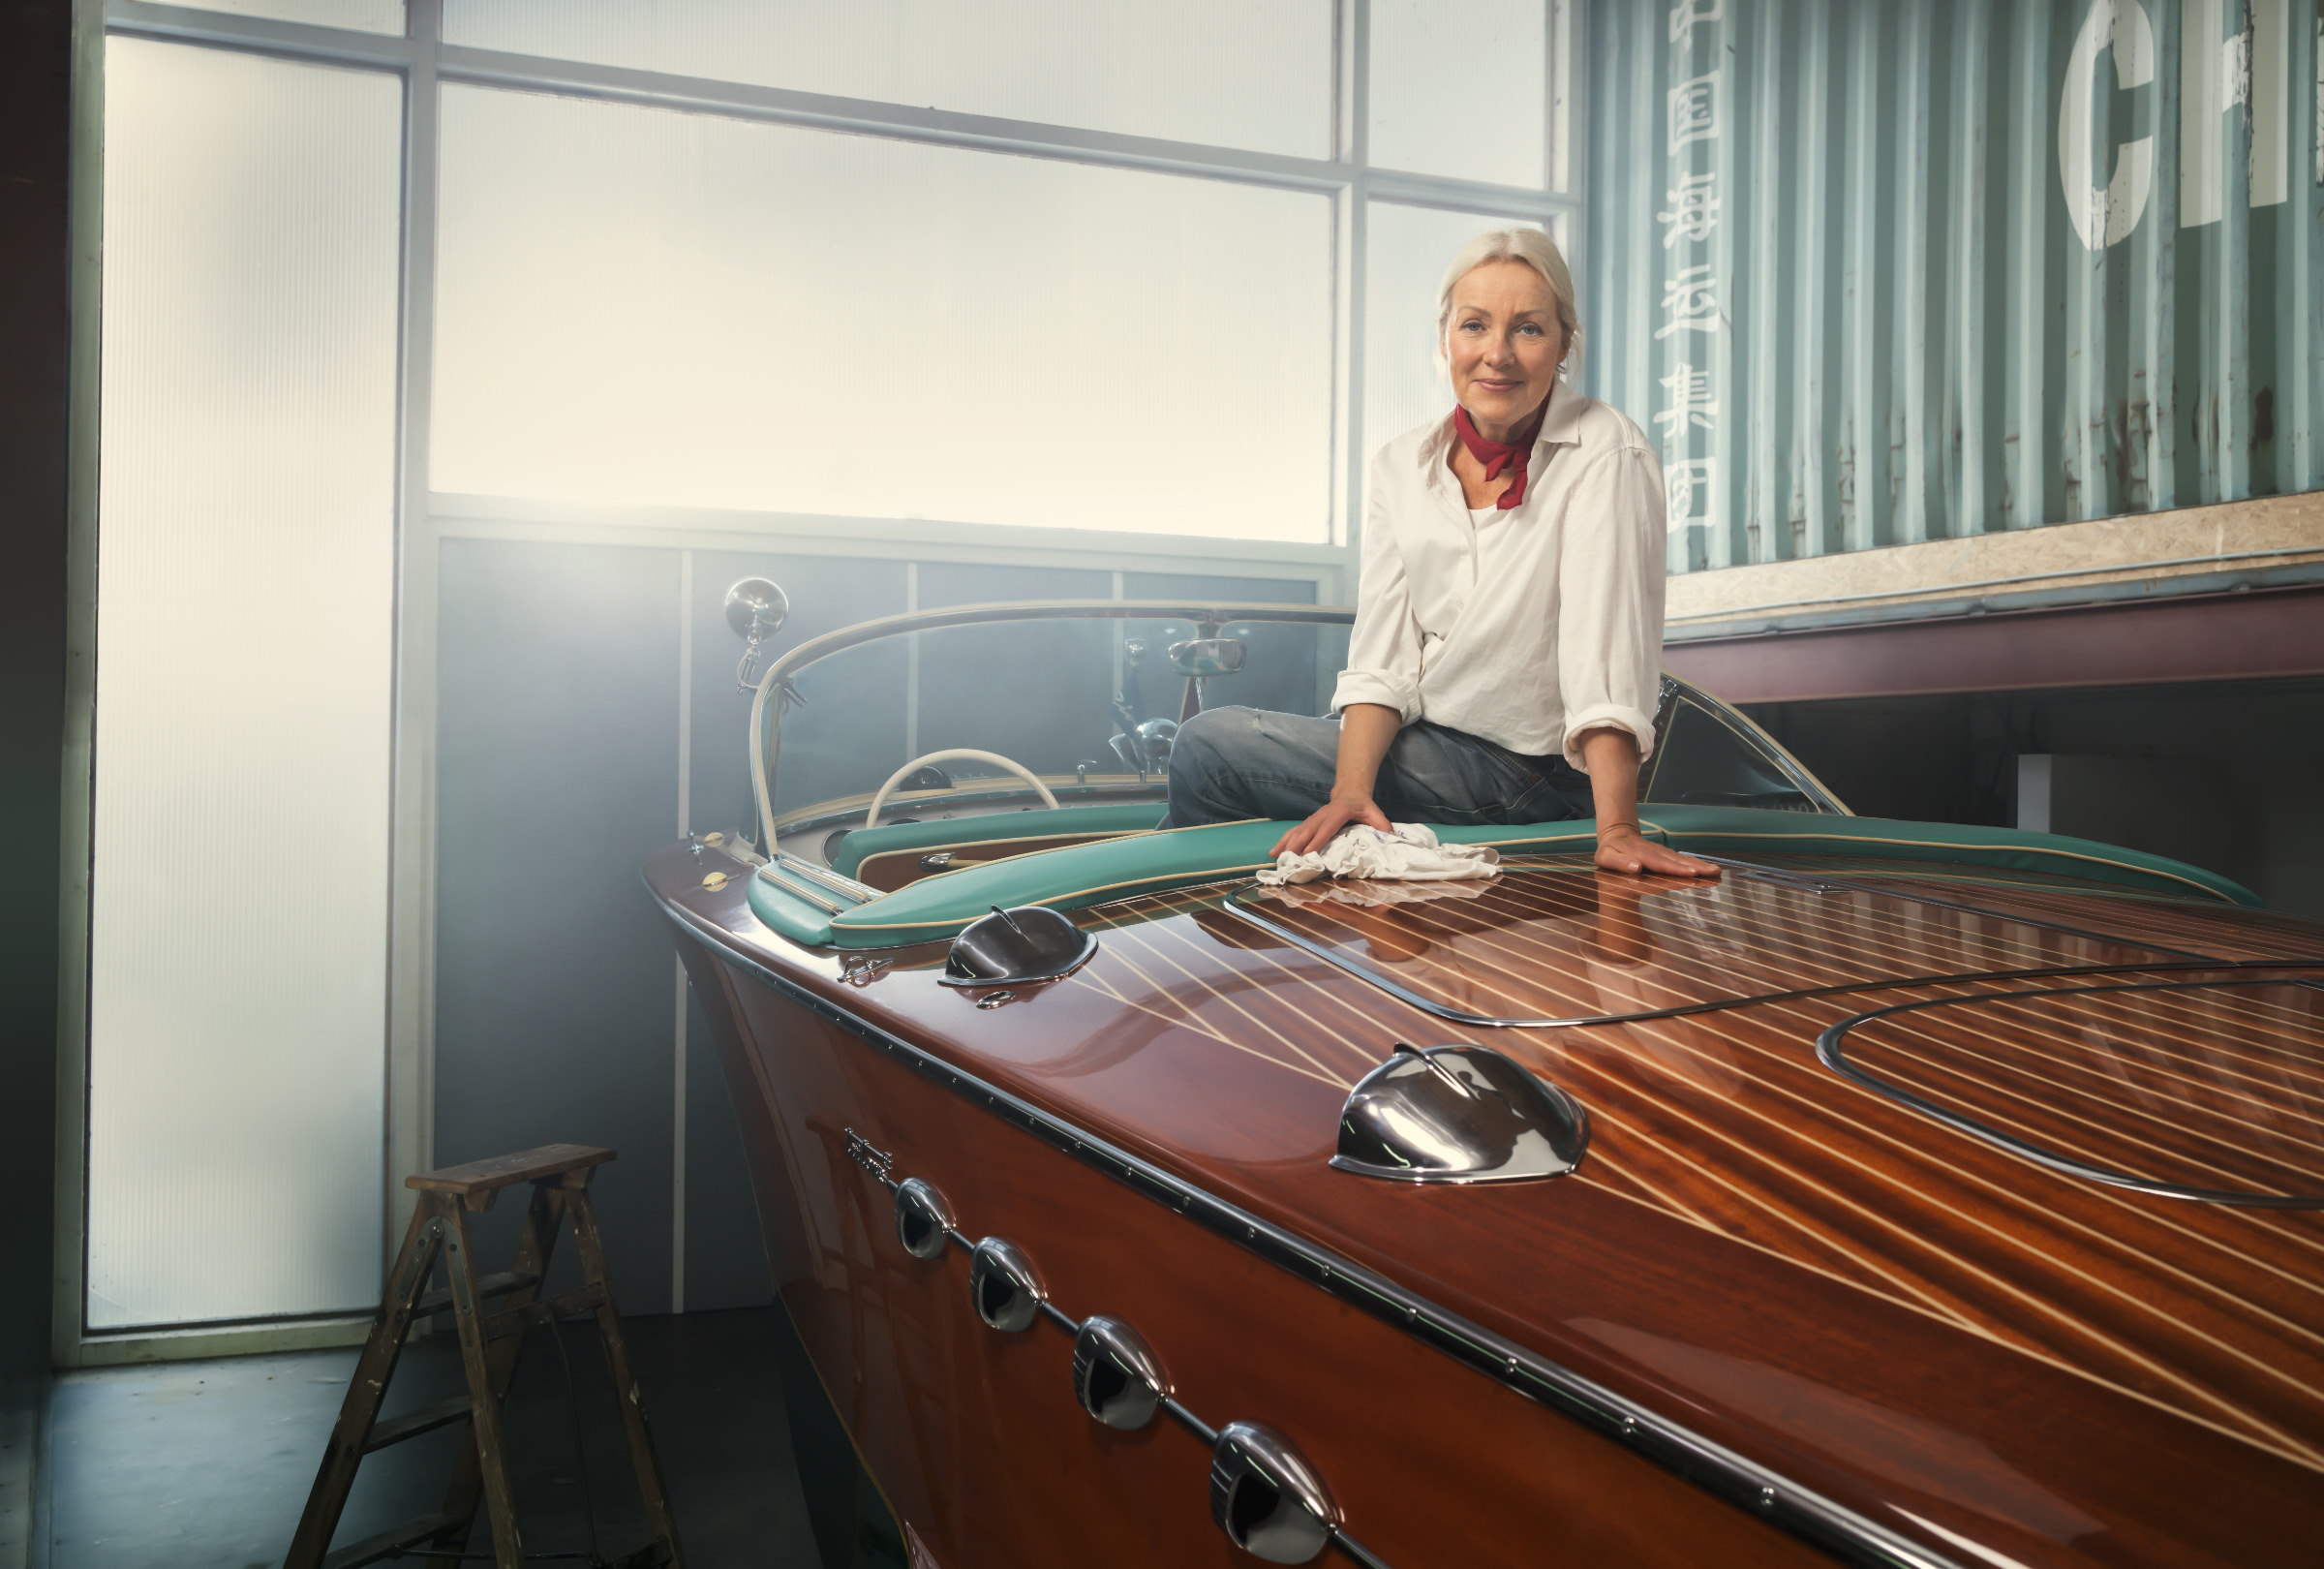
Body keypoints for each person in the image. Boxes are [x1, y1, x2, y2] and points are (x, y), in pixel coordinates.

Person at [1156, 229, 1719, 879]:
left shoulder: (1606, 449)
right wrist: (1350, 793)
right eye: (1475, 326)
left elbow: (1607, 653)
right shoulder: (1401, 465)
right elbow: (1383, 656)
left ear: (1565, 343)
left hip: (1528, 773)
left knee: (1207, 747)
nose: (1497, 354)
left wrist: (1617, 828)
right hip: (1427, 749)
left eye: (1528, 330)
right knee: (1230, 779)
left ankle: (1145, 950)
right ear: (1445, 337)